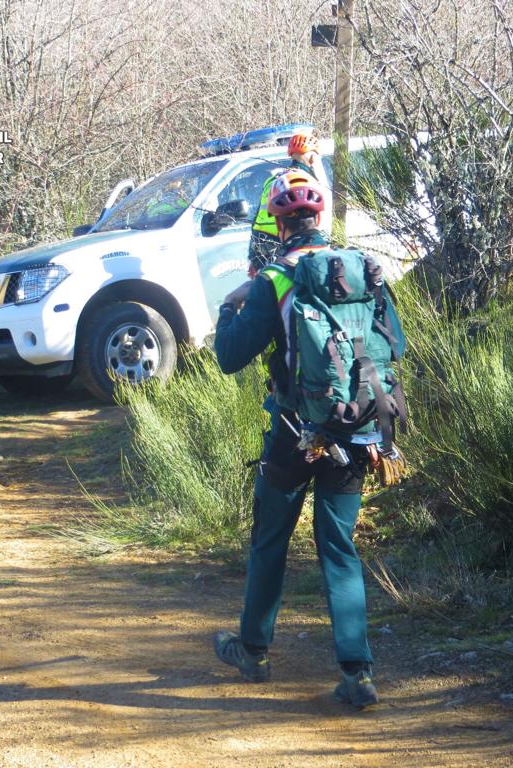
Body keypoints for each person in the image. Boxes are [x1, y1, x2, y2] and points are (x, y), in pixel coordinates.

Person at [212, 169, 379, 709]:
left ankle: (254, 650)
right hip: (356, 429)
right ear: (321, 219)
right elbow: (387, 350)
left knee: (270, 539)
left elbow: (229, 357)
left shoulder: (274, 280)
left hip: (294, 431)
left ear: (279, 224)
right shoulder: (361, 271)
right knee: (340, 548)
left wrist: (227, 308)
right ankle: (358, 673)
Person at [247, 131, 321, 277]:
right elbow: (309, 222)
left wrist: (254, 258)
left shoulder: (275, 180)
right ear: (312, 157)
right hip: (290, 246)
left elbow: (257, 219)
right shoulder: (304, 181)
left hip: (262, 246)